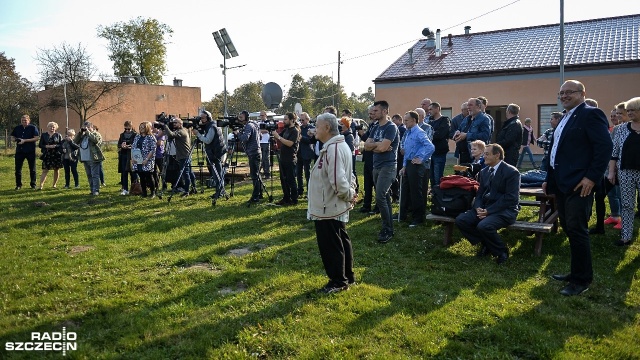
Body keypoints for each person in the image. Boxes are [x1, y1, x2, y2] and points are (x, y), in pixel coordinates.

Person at [544, 80, 613, 296]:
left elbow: (604, 147)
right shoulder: (566, 116)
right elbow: (555, 151)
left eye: (569, 92)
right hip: (561, 182)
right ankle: (575, 272)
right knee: (569, 228)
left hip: (579, 183)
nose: (564, 96)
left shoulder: (591, 114)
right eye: (561, 93)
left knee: (577, 229)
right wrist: (549, 176)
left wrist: (591, 178)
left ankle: (581, 280)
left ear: (582, 93)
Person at [307, 112, 357, 294]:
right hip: (330, 204)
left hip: (329, 205)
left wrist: (349, 194)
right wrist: (351, 193)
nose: (314, 129)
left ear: (327, 128)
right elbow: (347, 175)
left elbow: (339, 180)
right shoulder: (335, 146)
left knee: (331, 245)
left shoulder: (334, 148)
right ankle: (347, 276)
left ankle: (338, 281)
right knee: (341, 240)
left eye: (317, 126)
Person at [455, 144, 520, 264]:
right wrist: (478, 207)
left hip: (504, 210)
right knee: (461, 220)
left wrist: (489, 211)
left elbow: (511, 198)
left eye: (487, 154)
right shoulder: (484, 172)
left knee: (484, 226)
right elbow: (479, 194)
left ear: (497, 155)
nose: (484, 156)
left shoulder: (511, 172)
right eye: (484, 153)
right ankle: (487, 244)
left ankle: (502, 251)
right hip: (485, 208)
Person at [364, 100, 399, 243]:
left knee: (379, 197)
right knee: (384, 197)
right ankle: (389, 226)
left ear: (384, 111)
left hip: (388, 166)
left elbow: (383, 149)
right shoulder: (375, 127)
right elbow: (366, 146)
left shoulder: (391, 127)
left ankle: (387, 229)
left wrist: (376, 146)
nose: (374, 113)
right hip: (376, 165)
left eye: (376, 111)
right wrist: (377, 145)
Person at [607, 97, 640, 246]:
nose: (630, 113)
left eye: (633, 110)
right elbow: (614, 153)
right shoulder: (620, 129)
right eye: (629, 110)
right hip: (626, 172)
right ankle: (625, 236)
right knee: (627, 204)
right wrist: (611, 172)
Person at [398, 111, 435, 227]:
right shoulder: (408, 133)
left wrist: (421, 158)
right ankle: (403, 214)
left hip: (416, 165)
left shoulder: (419, 132)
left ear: (414, 120)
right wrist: (404, 166)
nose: (405, 123)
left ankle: (418, 218)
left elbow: (430, 146)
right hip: (409, 164)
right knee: (405, 190)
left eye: (407, 120)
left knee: (416, 192)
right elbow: (407, 152)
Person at [194, 110, 227, 200]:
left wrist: (198, 134)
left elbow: (208, 140)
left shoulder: (212, 127)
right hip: (216, 151)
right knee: (216, 173)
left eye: (203, 118)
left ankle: (220, 192)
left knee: (217, 174)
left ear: (208, 117)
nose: (202, 119)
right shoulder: (211, 125)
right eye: (201, 118)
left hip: (216, 153)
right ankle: (219, 191)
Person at [234, 110, 262, 204]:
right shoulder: (254, 124)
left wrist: (238, 133)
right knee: (257, 174)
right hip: (256, 151)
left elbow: (245, 138)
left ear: (246, 117)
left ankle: (255, 197)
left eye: (241, 117)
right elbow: (260, 136)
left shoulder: (249, 126)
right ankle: (259, 193)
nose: (239, 119)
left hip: (253, 153)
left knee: (254, 175)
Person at [273, 112, 300, 205]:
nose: (284, 121)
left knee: (291, 180)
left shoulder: (295, 131)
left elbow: (290, 143)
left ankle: (294, 199)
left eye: (285, 119)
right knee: (283, 180)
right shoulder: (286, 129)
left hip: (290, 159)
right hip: (283, 158)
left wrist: (278, 137)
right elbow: (279, 138)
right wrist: (275, 136)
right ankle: (286, 198)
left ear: (292, 120)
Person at [162, 117, 193, 197]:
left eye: (176, 123)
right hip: (185, 155)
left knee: (186, 173)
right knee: (189, 172)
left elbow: (171, 135)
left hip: (184, 155)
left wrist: (165, 125)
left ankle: (186, 191)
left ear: (180, 124)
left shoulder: (181, 132)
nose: (174, 124)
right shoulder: (182, 131)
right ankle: (194, 188)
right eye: (173, 123)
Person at [454, 98, 491, 164]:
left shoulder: (484, 119)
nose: (468, 107)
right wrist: (457, 132)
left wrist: (467, 135)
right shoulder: (466, 119)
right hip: (462, 155)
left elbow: (485, 136)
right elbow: (460, 129)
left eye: (471, 105)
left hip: (475, 156)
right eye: (468, 105)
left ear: (478, 106)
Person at [357, 106, 379, 214]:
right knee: (367, 183)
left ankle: (378, 206)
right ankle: (367, 205)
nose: (371, 115)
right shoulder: (371, 125)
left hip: (375, 157)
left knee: (376, 183)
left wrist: (362, 134)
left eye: (373, 113)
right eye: (369, 113)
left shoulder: (380, 126)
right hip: (368, 157)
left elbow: (370, 141)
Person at [74, 121, 105, 196]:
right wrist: (80, 133)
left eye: (88, 127)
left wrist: (88, 132)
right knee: (89, 175)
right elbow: (75, 141)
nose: (86, 129)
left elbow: (96, 140)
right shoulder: (83, 136)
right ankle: (92, 189)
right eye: (85, 127)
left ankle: (96, 190)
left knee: (95, 175)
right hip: (85, 158)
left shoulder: (96, 134)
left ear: (92, 127)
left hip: (93, 158)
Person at [11, 114, 39, 190]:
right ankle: (18, 185)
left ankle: (33, 184)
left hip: (30, 151)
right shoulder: (17, 128)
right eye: (22, 121)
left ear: (29, 121)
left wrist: (25, 140)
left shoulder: (33, 128)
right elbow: (12, 136)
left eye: (25, 120)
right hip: (20, 151)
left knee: (32, 169)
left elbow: (36, 138)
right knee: (18, 169)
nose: (24, 122)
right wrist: (15, 140)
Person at [131, 121, 157, 198]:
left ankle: (153, 192)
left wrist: (146, 159)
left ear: (147, 128)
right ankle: (144, 192)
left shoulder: (151, 137)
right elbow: (133, 147)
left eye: (143, 127)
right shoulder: (137, 136)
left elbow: (152, 149)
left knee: (149, 176)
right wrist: (133, 158)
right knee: (141, 176)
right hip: (138, 159)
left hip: (147, 160)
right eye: (140, 127)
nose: (141, 129)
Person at [428, 102, 451, 187]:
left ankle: (439, 195)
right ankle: (434, 194)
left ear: (437, 109)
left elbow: (441, 134)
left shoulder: (445, 120)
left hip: (440, 152)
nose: (429, 111)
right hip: (431, 153)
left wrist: (431, 134)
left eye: (431, 109)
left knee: (438, 176)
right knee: (431, 177)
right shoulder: (430, 122)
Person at [37, 121, 64, 189]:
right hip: (47, 154)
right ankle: (41, 185)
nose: (52, 128)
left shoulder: (58, 135)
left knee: (56, 169)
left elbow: (61, 145)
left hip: (56, 155)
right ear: (48, 127)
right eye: (50, 126)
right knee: (45, 170)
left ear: (56, 128)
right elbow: (40, 145)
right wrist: (47, 146)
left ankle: (54, 184)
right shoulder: (44, 135)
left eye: (53, 127)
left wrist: (55, 146)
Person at [297, 112, 315, 197]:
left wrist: (301, 138)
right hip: (298, 153)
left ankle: (309, 190)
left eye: (303, 120)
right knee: (298, 173)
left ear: (307, 119)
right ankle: (300, 190)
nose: (301, 121)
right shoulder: (299, 128)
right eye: (300, 120)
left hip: (307, 153)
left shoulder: (311, 128)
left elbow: (310, 141)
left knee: (307, 173)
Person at [117, 121, 138, 195]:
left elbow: (137, 144)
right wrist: (122, 146)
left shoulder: (135, 135)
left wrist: (131, 146)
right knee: (124, 172)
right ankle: (125, 188)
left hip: (132, 155)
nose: (127, 130)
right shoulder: (122, 135)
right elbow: (119, 144)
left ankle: (135, 188)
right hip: (124, 154)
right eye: (126, 129)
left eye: (129, 129)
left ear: (131, 127)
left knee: (133, 172)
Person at [258, 111, 271, 179]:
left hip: (266, 142)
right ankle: (259, 172)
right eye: (260, 115)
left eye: (262, 115)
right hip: (260, 142)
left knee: (266, 158)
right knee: (260, 158)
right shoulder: (259, 123)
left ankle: (267, 173)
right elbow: (257, 130)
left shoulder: (268, 122)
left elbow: (267, 130)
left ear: (266, 115)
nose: (261, 117)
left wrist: (260, 131)